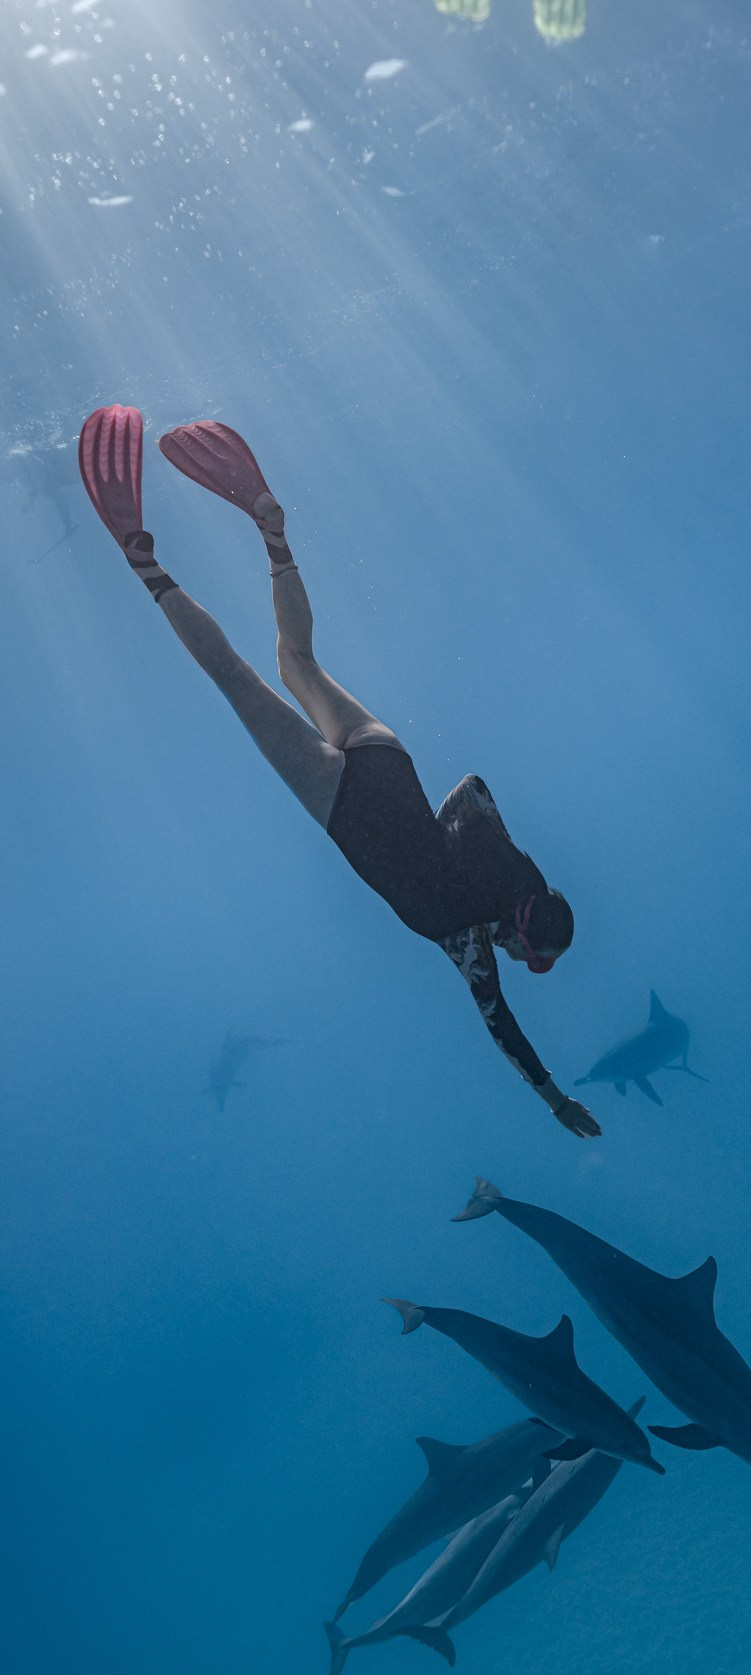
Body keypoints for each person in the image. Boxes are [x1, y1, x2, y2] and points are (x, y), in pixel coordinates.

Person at [78, 406, 600, 1138]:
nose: (519, 963)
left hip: (387, 759)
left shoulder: (510, 866)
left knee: (297, 662)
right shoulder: (469, 941)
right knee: (234, 678)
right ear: (521, 933)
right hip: (341, 803)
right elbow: (502, 1030)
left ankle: (272, 534)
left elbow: (471, 789)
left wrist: (465, 845)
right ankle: (144, 561)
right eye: (530, 955)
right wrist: (554, 1101)